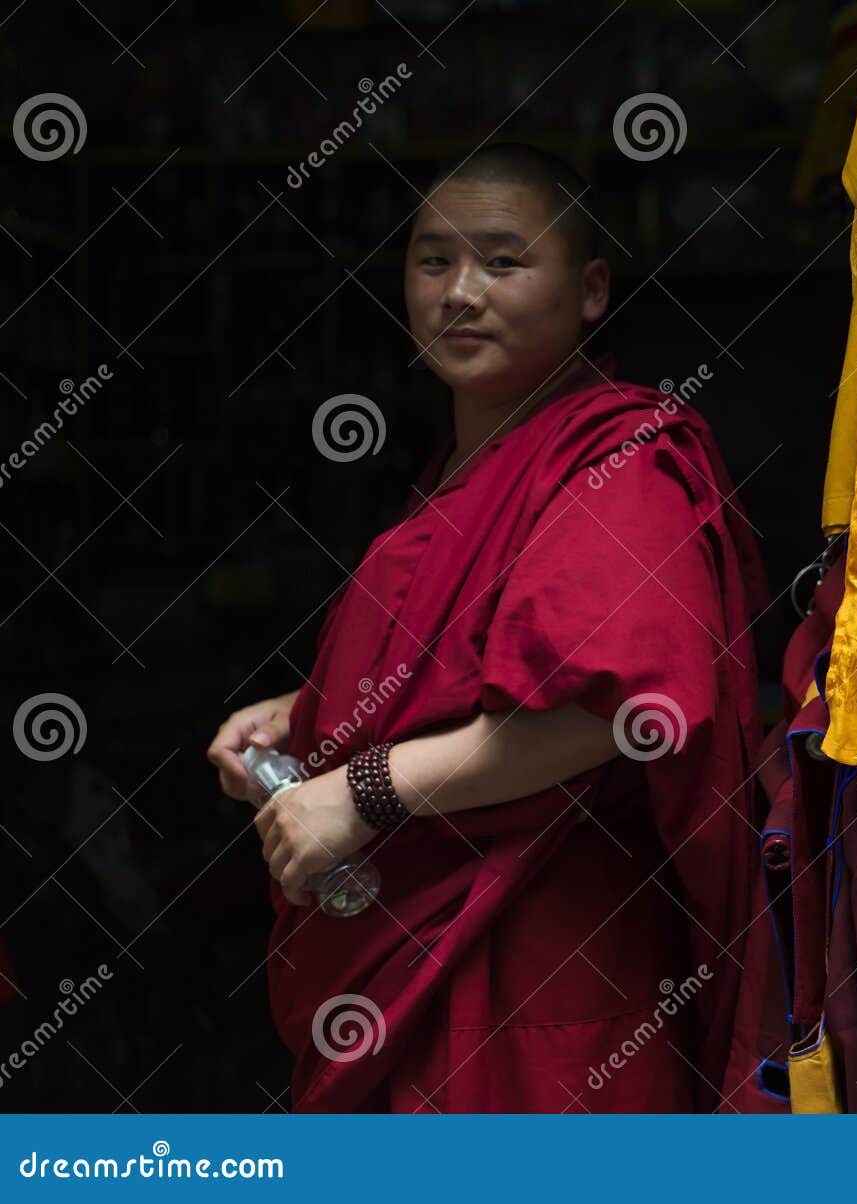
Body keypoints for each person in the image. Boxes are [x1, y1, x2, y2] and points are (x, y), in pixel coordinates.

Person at [206, 143, 781, 1113]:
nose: (460, 292)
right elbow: (484, 671)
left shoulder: (621, 460)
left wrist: (362, 790)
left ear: (590, 288)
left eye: (504, 261)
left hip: (554, 980)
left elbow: (619, 708)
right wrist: (310, 713)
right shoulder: (462, 472)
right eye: (433, 261)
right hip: (427, 963)